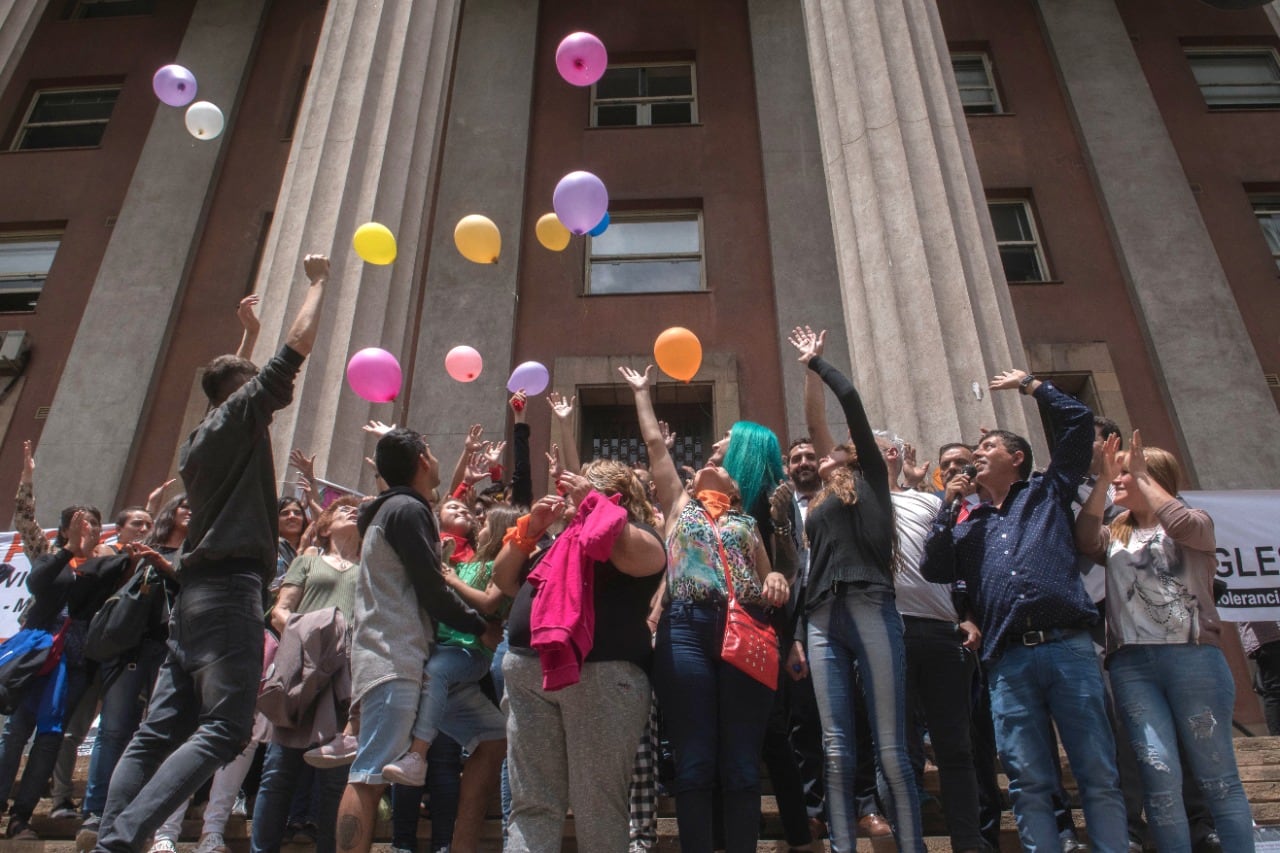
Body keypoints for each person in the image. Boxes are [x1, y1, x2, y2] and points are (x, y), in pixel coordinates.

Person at [89, 252, 332, 853]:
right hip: (227, 596)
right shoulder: (240, 418)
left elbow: (220, 385)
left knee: (157, 732)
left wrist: (245, 332)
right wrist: (320, 282)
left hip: (194, 600)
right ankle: (122, 838)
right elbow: (297, 344)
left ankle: (108, 841)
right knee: (225, 730)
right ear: (245, 393)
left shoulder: (202, 437)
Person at [922, 367, 1128, 852]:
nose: (973, 460)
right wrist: (948, 508)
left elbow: (1078, 423)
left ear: (1017, 457)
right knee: (1027, 781)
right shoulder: (968, 526)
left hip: (1068, 650)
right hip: (1008, 662)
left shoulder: (1047, 491)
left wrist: (1031, 386)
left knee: (1096, 772)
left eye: (986, 450)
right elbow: (936, 567)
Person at [617, 364, 788, 853]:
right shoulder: (678, 507)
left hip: (746, 629)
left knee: (739, 763)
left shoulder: (748, 524)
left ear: (737, 487)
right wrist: (642, 393)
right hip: (686, 630)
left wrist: (774, 575)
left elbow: (769, 574)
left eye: (725, 466)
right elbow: (654, 447)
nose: (714, 463)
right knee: (695, 760)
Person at [1077, 431, 1254, 853]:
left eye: (1124, 476)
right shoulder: (1115, 533)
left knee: (1218, 777)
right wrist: (1103, 481)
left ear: (1152, 479)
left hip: (1193, 661)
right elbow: (1084, 538)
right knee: (1159, 777)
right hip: (1132, 667)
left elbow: (1177, 522)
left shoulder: (1194, 524)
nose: (1117, 482)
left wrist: (1140, 473)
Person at [782, 327, 923, 853]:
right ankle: (843, 846)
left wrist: (819, 364)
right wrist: (797, 629)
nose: (816, 455)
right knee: (835, 748)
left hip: (868, 603)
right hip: (821, 618)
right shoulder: (818, 504)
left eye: (826, 451)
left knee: (889, 746)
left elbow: (849, 406)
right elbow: (809, 569)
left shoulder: (870, 482)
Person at [337, 427, 504, 853]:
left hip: (420, 662)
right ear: (423, 461)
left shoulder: (394, 509)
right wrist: (477, 625)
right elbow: (432, 589)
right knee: (370, 773)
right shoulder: (405, 511)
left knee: (494, 736)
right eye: (429, 450)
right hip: (395, 657)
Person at [251, 497, 364, 853]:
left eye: (358, 511)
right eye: (343, 510)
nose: (352, 511)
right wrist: (316, 636)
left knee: (335, 779)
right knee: (278, 772)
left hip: (346, 674)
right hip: (305, 672)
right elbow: (280, 613)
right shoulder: (307, 561)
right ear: (326, 526)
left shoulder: (371, 568)